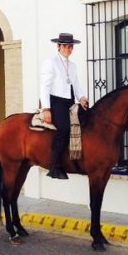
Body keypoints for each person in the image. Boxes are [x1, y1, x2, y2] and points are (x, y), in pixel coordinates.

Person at [40, 32, 89, 179]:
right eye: (66, 46)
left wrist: (82, 97)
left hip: (69, 102)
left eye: (71, 46)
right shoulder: (51, 62)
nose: (68, 49)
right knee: (64, 128)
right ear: (59, 46)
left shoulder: (72, 65)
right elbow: (45, 87)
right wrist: (46, 109)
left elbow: (76, 84)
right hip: (55, 102)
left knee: (86, 121)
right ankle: (54, 165)